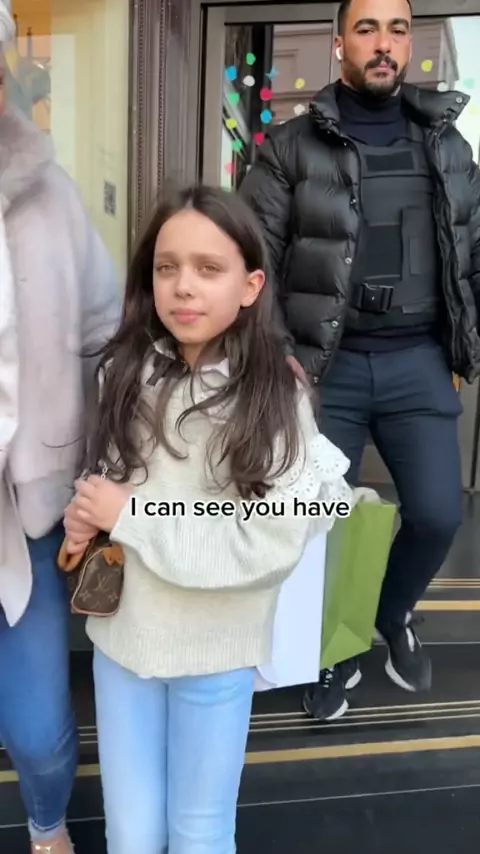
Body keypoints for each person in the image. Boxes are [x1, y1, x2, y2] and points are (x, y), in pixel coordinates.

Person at [62, 185, 351, 854]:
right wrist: (91, 514)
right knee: (130, 835)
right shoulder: (124, 370)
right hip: (124, 643)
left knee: (199, 833)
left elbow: (270, 541)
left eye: (208, 268)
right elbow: (116, 482)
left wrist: (131, 516)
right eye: (166, 267)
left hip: (216, 651)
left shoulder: (274, 396)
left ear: (251, 286)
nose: (183, 286)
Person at [240, 0, 480, 722]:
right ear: (339, 43)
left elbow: (472, 252)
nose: (383, 44)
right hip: (323, 371)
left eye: (397, 30)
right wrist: (278, 355)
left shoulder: (447, 145)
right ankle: (334, 648)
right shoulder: (288, 148)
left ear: (410, 44)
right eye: (367, 29)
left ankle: (388, 610)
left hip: (417, 362)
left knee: (437, 515)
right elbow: (251, 261)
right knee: (322, 526)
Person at [0, 1, 120, 850]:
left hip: (31, 512)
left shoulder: (50, 195)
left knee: (40, 730)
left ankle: (48, 826)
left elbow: (108, 333)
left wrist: (241, 360)